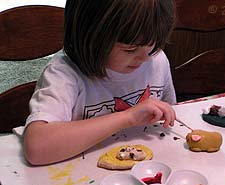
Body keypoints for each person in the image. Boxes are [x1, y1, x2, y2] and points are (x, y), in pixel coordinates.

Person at [23, 0, 177, 165]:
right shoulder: (65, 72)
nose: (145, 58)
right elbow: (37, 147)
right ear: (90, 36)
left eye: (152, 45)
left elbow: (170, 113)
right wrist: (128, 117)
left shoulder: (156, 60)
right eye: (130, 49)